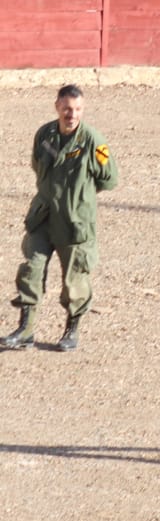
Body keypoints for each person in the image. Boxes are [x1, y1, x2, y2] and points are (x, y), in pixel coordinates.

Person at [1, 85, 119, 353]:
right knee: (31, 269)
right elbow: (36, 165)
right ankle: (25, 329)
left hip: (74, 221)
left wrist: (80, 195)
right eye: (67, 109)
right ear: (57, 107)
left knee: (75, 278)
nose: (71, 115)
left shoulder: (93, 141)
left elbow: (109, 179)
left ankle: (71, 330)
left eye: (77, 110)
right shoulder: (45, 134)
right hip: (43, 216)